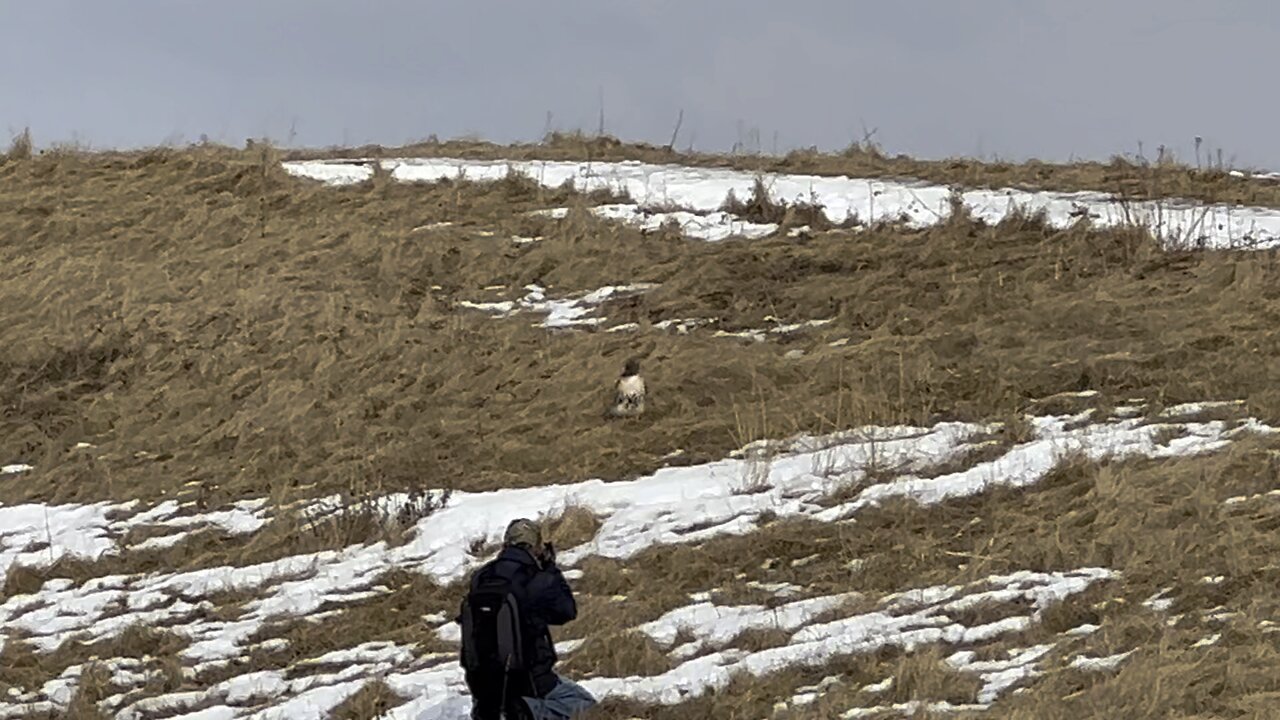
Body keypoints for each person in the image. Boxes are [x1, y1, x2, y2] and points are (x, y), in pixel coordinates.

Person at [458, 518, 598, 720]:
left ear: (506, 543)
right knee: (586, 705)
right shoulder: (536, 577)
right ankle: (527, 711)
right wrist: (551, 569)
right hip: (531, 678)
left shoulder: (481, 576)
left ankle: (494, 708)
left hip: (482, 680)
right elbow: (567, 611)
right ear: (536, 547)